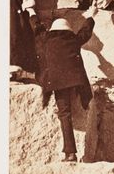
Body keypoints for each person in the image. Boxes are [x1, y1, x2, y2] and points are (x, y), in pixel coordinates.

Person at [35, 13, 96, 162]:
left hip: (58, 83)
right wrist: (91, 15)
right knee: (80, 99)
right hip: (75, 81)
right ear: (68, 30)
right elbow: (85, 31)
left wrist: (31, 13)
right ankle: (85, 102)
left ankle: (70, 153)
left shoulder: (46, 39)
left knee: (64, 114)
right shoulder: (73, 39)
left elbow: (36, 28)